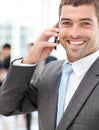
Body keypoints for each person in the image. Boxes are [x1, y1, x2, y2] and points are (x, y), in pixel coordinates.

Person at [0, 0, 99, 130]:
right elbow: (6, 106)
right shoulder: (49, 72)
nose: (74, 33)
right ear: (57, 29)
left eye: (85, 23)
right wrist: (29, 60)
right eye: (66, 23)